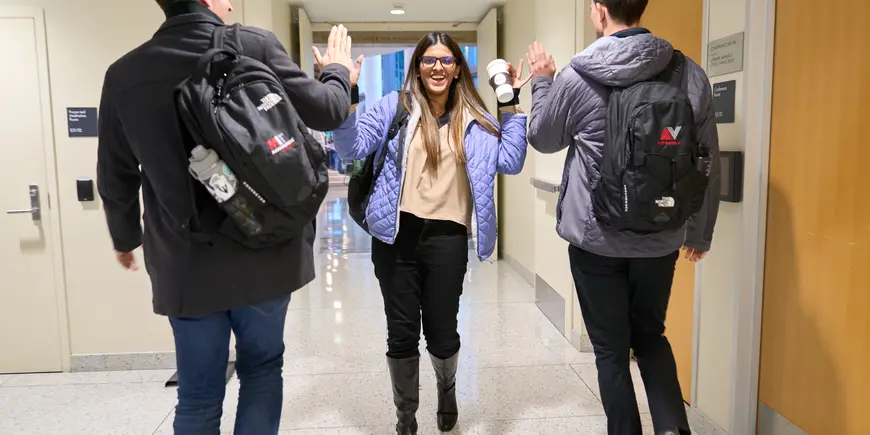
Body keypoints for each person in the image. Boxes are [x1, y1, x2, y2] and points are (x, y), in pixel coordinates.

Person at [96, 0, 358, 433]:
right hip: (267, 249)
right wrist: (338, 70)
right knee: (262, 369)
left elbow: (115, 173)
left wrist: (125, 239)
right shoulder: (251, 45)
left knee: (197, 393)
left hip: (185, 260)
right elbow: (329, 109)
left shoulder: (125, 74)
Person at [524, 1, 721, 434]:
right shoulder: (689, 73)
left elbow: (541, 137)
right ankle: (673, 430)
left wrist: (541, 83)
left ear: (598, 11)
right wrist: (700, 233)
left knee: (611, 352)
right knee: (650, 337)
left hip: (596, 242)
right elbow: (707, 160)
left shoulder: (577, 76)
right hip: (661, 237)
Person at [329, 33, 532, 435]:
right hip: (396, 237)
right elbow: (350, 148)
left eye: (445, 60)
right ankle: (405, 418)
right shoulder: (396, 106)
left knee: (442, 332)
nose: (437, 67)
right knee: (400, 332)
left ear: (458, 68)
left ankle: (447, 386)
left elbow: (511, 160)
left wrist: (508, 102)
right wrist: (347, 90)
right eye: (428, 60)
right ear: (418, 67)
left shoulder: (475, 119)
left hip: (448, 240)